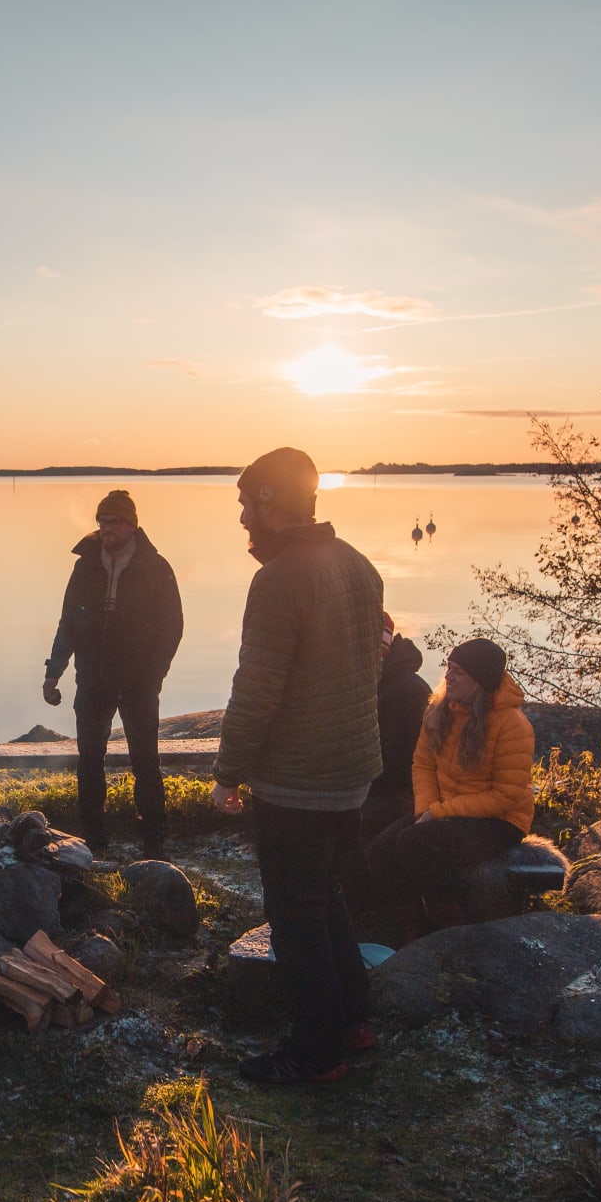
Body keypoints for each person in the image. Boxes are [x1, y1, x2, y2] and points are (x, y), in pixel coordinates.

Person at [210, 448, 382, 1084]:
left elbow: (257, 686)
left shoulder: (281, 578)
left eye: (245, 504)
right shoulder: (356, 564)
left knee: (295, 921)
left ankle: (315, 1054)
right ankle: (355, 1020)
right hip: (352, 774)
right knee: (327, 898)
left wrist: (229, 772)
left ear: (270, 502)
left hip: (300, 781)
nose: (242, 520)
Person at [42, 490, 183, 857]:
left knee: (146, 763)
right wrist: (53, 671)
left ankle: (153, 843)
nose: (107, 529)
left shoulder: (156, 567)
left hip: (139, 684)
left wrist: (155, 674)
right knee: (89, 761)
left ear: (132, 526)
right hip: (93, 679)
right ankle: (94, 841)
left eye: (114, 523)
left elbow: (172, 627)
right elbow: (68, 622)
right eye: (103, 522)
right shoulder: (85, 565)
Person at [361, 637, 533, 938]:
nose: (448, 676)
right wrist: (426, 809)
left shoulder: (511, 724)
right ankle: (411, 925)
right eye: (448, 668)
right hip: (446, 810)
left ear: (480, 679)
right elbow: (422, 765)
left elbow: (506, 797)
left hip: (498, 822)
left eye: (459, 672)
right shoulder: (439, 712)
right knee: (381, 851)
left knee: (416, 844)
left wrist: (441, 811)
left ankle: (449, 928)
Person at [341, 614, 432, 929]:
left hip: (404, 793)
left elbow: (405, 764)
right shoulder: (370, 682)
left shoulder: (408, 691)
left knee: (344, 820)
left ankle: (364, 912)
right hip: (373, 786)